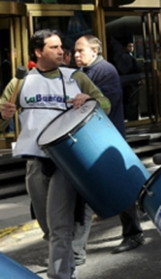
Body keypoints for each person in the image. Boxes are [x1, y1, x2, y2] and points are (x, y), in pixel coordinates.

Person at [0, 29, 110, 279]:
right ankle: (67, 264)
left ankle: (60, 275)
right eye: (54, 48)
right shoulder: (20, 82)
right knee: (48, 227)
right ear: (38, 52)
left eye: (62, 47)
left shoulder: (77, 78)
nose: (62, 52)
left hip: (66, 161)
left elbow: (105, 103)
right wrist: (3, 115)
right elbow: (0, 117)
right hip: (35, 162)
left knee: (59, 226)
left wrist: (89, 100)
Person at [73, 35, 146, 258]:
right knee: (84, 192)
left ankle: (133, 232)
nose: (76, 55)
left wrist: (88, 98)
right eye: (74, 51)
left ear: (95, 50)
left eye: (81, 50)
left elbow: (108, 103)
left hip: (106, 140)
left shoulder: (106, 70)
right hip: (89, 140)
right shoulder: (82, 72)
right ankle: (76, 250)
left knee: (120, 188)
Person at [116, 41, 142, 121]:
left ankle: (133, 118)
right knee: (132, 102)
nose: (131, 48)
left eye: (132, 46)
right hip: (130, 83)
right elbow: (129, 69)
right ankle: (133, 119)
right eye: (129, 46)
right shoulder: (125, 57)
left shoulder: (129, 56)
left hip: (131, 82)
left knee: (132, 101)